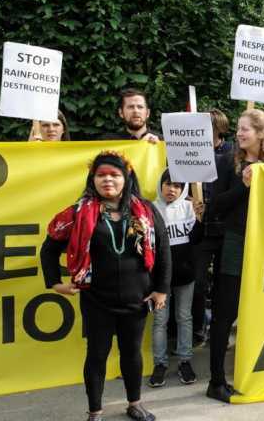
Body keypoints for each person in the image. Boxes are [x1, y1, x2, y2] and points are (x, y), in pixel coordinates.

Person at [40, 151, 170, 421]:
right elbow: (49, 248)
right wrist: (55, 283)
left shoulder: (145, 209)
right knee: (97, 355)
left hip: (137, 298)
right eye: (101, 175)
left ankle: (135, 404)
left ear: (126, 178)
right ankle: (95, 411)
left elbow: (164, 249)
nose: (107, 179)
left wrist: (161, 289)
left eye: (114, 174)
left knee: (132, 353)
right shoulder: (78, 212)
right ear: (93, 179)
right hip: (96, 299)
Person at [206, 109, 264, 403]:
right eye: (238, 129)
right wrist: (244, 185)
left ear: (261, 134)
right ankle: (216, 381)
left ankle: (258, 372)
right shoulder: (229, 162)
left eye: (245, 130)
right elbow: (215, 206)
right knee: (225, 314)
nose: (239, 134)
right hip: (236, 245)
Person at [149, 170, 203, 388]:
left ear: (183, 189)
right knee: (160, 320)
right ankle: (159, 364)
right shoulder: (150, 209)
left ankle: (185, 361)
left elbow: (196, 239)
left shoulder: (190, 208)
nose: (172, 189)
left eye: (178, 186)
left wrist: (200, 219)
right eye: (168, 184)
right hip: (160, 278)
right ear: (160, 186)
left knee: (184, 317)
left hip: (185, 274)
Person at [192, 108, 234, 346]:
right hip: (201, 229)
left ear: (218, 129)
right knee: (197, 284)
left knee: (222, 284)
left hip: (225, 229)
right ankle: (200, 327)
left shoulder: (231, 153)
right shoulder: (189, 151)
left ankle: (219, 330)